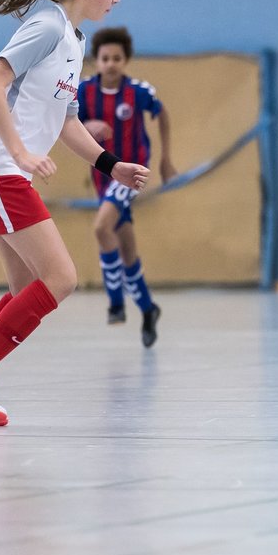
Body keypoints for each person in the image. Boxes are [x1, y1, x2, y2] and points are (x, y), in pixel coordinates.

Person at [0, 0, 149, 427]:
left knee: (26, 281)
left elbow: (67, 122)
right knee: (61, 278)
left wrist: (110, 164)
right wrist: (21, 149)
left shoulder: (74, 38)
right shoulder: (47, 26)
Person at [78, 26, 176, 346]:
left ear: (126, 60)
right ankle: (149, 309)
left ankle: (116, 302)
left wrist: (165, 159)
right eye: (105, 58)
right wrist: (87, 125)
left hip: (131, 173)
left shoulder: (138, 92)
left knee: (100, 228)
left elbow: (162, 116)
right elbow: (65, 122)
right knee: (127, 249)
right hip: (101, 176)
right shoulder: (83, 92)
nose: (111, 64)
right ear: (97, 60)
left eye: (117, 58)